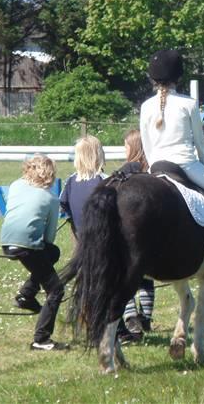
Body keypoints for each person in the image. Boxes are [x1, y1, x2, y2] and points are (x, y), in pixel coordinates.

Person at [140, 48, 204, 264]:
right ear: (178, 76)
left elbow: (147, 145)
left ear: (153, 77)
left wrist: (151, 169)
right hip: (186, 164)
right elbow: (199, 142)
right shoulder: (188, 104)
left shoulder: (146, 106)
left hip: (156, 165)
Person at [59, 135, 139, 345]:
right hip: (105, 242)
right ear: (98, 155)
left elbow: (65, 209)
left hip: (82, 243)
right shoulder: (106, 182)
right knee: (112, 286)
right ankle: (119, 331)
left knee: (88, 286)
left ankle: (92, 326)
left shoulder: (69, 182)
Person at [0, 154, 67, 351]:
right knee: (56, 289)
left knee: (52, 253)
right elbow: (49, 238)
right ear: (50, 175)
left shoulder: (15, 185)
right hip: (28, 245)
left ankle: (26, 295)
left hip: (6, 241)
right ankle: (42, 339)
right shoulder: (50, 198)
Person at [119, 129, 156, 338]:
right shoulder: (153, 171)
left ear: (132, 147)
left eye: (125, 146)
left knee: (127, 275)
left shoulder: (124, 172)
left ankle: (132, 319)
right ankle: (146, 317)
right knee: (146, 278)